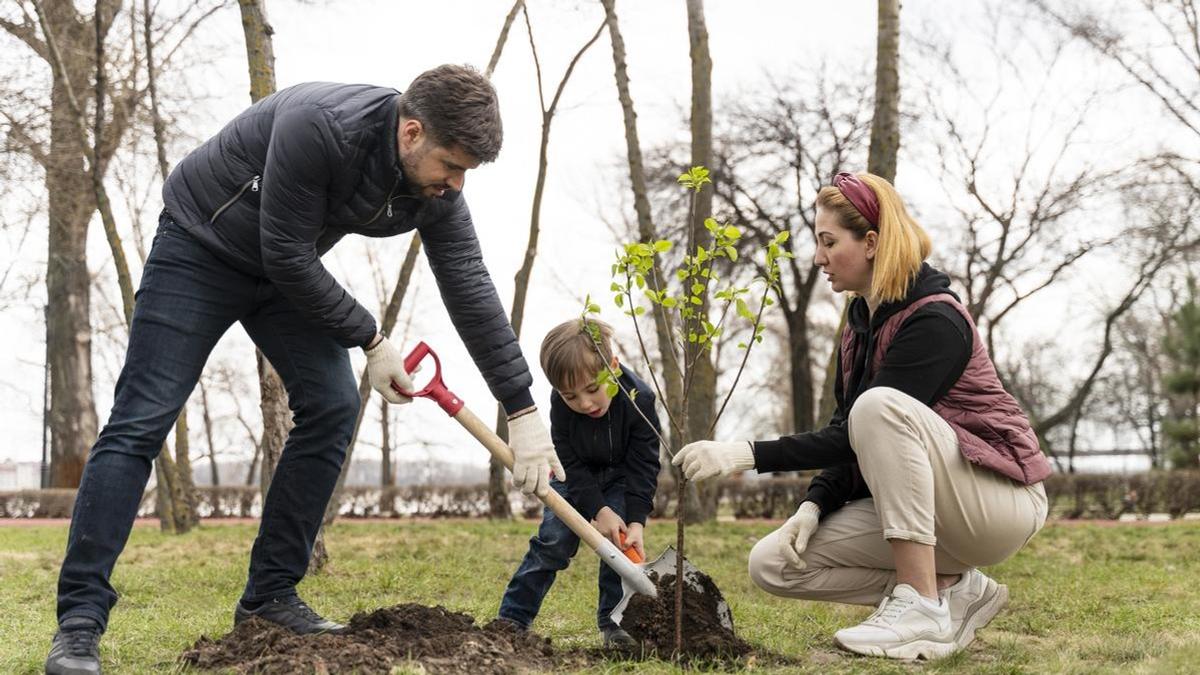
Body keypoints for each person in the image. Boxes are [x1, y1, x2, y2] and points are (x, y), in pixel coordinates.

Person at [45, 65, 565, 675]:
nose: (454, 184)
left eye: (464, 174)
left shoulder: (437, 192)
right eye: (450, 165)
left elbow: (471, 289)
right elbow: (288, 255)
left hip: (284, 269)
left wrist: (522, 407)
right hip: (199, 248)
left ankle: (269, 597)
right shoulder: (320, 126)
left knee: (333, 406)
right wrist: (370, 337)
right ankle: (79, 623)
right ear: (412, 132)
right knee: (140, 422)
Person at [672, 172, 1050, 660]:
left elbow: (864, 425)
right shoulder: (858, 326)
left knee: (878, 406)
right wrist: (813, 507)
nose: (818, 257)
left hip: (999, 503)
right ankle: (956, 588)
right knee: (773, 563)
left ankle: (921, 607)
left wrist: (742, 454)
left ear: (870, 242)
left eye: (829, 242)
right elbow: (849, 435)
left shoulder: (936, 320)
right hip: (940, 510)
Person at [496, 318, 661, 649]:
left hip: (620, 478)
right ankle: (512, 619)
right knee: (553, 543)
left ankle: (614, 624)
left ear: (612, 367)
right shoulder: (561, 404)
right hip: (573, 477)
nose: (584, 404)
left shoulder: (639, 400)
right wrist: (596, 508)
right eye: (571, 396)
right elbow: (568, 461)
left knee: (619, 547)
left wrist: (635, 520)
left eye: (591, 390)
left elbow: (643, 465)